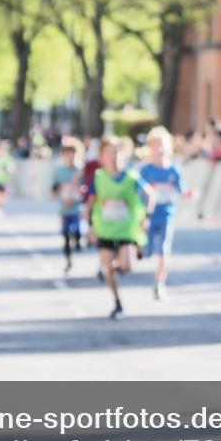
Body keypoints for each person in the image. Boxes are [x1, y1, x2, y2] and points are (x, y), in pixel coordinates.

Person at [85, 136, 154, 320]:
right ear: (102, 156)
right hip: (105, 228)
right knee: (107, 266)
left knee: (126, 266)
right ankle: (117, 303)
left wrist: (146, 217)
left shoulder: (131, 176)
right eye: (109, 152)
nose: (114, 156)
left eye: (116, 152)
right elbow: (91, 202)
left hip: (126, 228)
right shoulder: (98, 177)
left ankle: (117, 265)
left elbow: (150, 194)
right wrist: (90, 227)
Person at [139, 126, 191, 299]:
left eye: (161, 145)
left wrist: (189, 194)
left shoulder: (174, 170)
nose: (159, 149)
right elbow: (137, 192)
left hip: (167, 213)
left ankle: (159, 283)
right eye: (155, 145)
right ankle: (139, 250)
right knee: (146, 251)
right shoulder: (145, 171)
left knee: (164, 250)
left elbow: (182, 190)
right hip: (148, 215)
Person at [51, 143, 84, 274]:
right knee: (65, 235)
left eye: (73, 154)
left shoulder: (81, 170)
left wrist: (81, 190)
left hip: (77, 207)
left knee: (77, 231)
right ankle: (68, 260)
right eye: (68, 154)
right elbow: (54, 188)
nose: (71, 157)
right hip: (64, 208)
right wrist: (58, 190)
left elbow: (87, 187)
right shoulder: (59, 171)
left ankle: (78, 240)